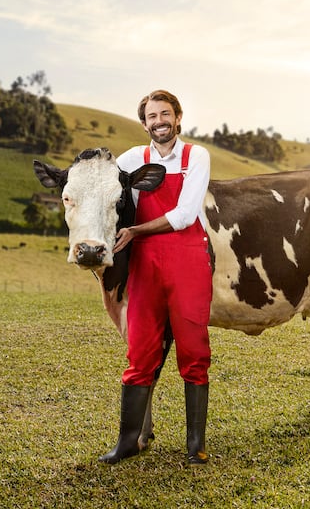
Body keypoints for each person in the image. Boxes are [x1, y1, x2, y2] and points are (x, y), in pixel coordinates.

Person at [101, 89, 213, 465]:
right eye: (152, 116)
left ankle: (195, 444)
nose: (159, 122)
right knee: (140, 352)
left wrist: (135, 231)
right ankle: (127, 442)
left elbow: (184, 214)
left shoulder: (196, 156)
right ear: (144, 122)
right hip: (145, 266)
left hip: (188, 262)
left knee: (193, 350)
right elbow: (107, 188)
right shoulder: (132, 159)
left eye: (165, 114)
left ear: (177, 118)